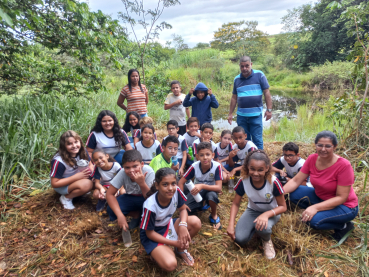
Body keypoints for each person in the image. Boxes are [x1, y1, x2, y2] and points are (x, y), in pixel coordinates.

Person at [283, 131, 358, 242]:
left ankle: (343, 226)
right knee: (294, 193)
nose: (323, 149)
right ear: (315, 145)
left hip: (345, 206)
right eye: (320, 145)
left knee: (312, 221)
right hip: (321, 197)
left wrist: (315, 208)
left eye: (328, 146)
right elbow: (295, 180)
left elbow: (342, 197)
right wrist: (278, 194)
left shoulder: (344, 165)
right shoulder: (312, 159)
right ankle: (324, 213)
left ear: (335, 147)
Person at [227, 150, 286, 260]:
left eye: (260, 170)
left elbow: (283, 207)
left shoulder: (273, 182)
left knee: (264, 229)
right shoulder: (243, 181)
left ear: (267, 168)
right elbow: (235, 203)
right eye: (252, 169)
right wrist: (230, 224)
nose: (255, 173)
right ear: (247, 167)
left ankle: (266, 240)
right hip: (252, 211)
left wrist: (266, 214)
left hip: (272, 212)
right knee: (239, 239)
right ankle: (255, 227)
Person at [140, 168, 201, 271]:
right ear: (157, 185)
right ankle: (163, 249)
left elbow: (183, 210)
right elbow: (149, 233)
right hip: (152, 234)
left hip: (167, 225)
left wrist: (182, 225)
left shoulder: (176, 191)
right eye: (165, 184)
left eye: (173, 183)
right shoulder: (150, 206)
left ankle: (180, 250)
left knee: (196, 222)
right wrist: (174, 243)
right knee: (170, 265)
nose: (170, 188)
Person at [228, 56, 272, 150]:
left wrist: (269, 110)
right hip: (241, 116)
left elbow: (267, 92)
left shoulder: (260, 75)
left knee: (257, 140)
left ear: (251, 64)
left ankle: (260, 161)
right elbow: (234, 97)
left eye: (247, 66)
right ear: (239, 66)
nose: (244, 68)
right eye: (242, 66)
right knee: (244, 141)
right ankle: (247, 160)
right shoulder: (237, 79)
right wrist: (230, 113)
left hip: (256, 115)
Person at [178, 142, 223, 230]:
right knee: (185, 210)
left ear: (213, 155)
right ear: (197, 157)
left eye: (208, 154)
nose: (205, 157)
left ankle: (214, 214)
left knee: (212, 196)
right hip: (197, 192)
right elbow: (181, 182)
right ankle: (202, 204)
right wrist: (182, 201)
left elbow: (219, 188)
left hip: (211, 190)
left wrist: (202, 186)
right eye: (201, 155)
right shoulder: (194, 166)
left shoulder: (217, 166)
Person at [106, 150, 155, 230]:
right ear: (123, 167)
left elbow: (151, 199)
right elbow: (109, 194)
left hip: (146, 199)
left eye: (135, 166)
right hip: (130, 197)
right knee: (111, 209)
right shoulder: (122, 173)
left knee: (154, 209)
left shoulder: (148, 172)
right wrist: (120, 215)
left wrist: (142, 184)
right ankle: (136, 215)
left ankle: (146, 219)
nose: (131, 170)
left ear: (142, 164)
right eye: (127, 167)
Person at [50, 130, 93, 210]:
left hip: (78, 178)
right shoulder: (59, 161)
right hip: (62, 185)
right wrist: (77, 177)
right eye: (69, 144)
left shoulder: (83, 151)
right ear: (64, 146)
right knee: (88, 184)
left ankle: (81, 191)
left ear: (80, 142)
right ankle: (66, 198)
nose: (74, 146)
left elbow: (90, 163)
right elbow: (54, 183)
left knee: (98, 178)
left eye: (76, 142)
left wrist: (91, 172)